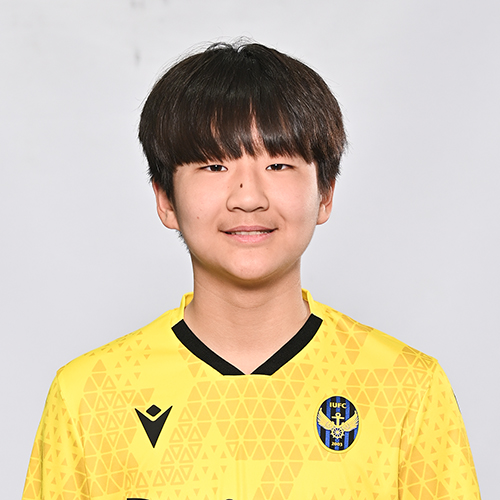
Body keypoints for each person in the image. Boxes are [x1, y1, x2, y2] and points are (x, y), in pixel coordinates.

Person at [22, 41, 481, 500]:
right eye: (214, 165)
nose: (248, 197)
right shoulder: (88, 396)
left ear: (325, 194)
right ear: (165, 199)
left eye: (278, 164)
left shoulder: (408, 388)